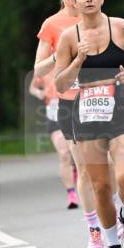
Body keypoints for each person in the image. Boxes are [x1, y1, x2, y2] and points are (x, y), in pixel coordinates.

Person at [54, 0, 124, 248]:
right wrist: (78, 60)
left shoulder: (120, 27)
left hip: (120, 107)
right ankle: (112, 244)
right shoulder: (69, 37)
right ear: (74, 1)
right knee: (101, 185)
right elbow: (60, 84)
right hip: (87, 112)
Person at [34, 0, 106, 248]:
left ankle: (117, 215)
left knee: (108, 165)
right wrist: (61, 54)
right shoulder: (52, 25)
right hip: (70, 101)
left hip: (103, 97)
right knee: (85, 169)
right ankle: (94, 230)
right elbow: (38, 69)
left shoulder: (102, 20)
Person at [29, 73, 78, 208]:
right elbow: (32, 87)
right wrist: (39, 92)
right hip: (53, 114)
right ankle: (71, 194)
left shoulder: (70, 57)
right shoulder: (43, 65)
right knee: (64, 154)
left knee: (74, 152)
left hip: (73, 110)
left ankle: (74, 170)